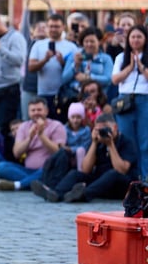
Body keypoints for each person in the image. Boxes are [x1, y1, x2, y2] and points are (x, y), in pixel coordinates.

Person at [32, 114, 138, 202]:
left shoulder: (126, 142)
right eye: (99, 129)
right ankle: (56, 194)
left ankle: (83, 195)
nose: (102, 132)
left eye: (105, 128)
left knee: (112, 174)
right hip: (100, 184)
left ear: (115, 127)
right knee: (75, 174)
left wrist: (110, 145)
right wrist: (94, 143)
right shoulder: (98, 143)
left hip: (121, 186)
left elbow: (121, 170)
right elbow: (86, 169)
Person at [0, 97, 66, 191]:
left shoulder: (56, 125)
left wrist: (41, 135)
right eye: (33, 110)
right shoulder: (24, 126)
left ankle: (18, 185)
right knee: (2, 166)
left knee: (50, 172)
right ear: (29, 113)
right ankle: (33, 182)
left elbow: (59, 152)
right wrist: (29, 138)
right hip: (27, 170)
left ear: (46, 111)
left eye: (39, 110)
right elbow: (16, 153)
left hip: (46, 169)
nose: (36, 113)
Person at [110, 24, 148, 178]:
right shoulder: (121, 57)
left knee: (145, 142)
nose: (136, 40)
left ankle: (144, 178)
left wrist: (141, 66)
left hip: (144, 99)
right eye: (133, 37)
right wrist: (130, 67)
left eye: (139, 37)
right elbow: (115, 79)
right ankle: (131, 179)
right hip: (125, 101)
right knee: (128, 140)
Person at [27, 14, 78, 117]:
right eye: (51, 26)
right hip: (44, 93)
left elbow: (76, 69)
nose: (53, 29)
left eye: (57, 26)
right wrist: (45, 60)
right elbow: (31, 67)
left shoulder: (71, 47)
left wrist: (63, 63)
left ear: (63, 27)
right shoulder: (38, 45)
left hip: (64, 94)